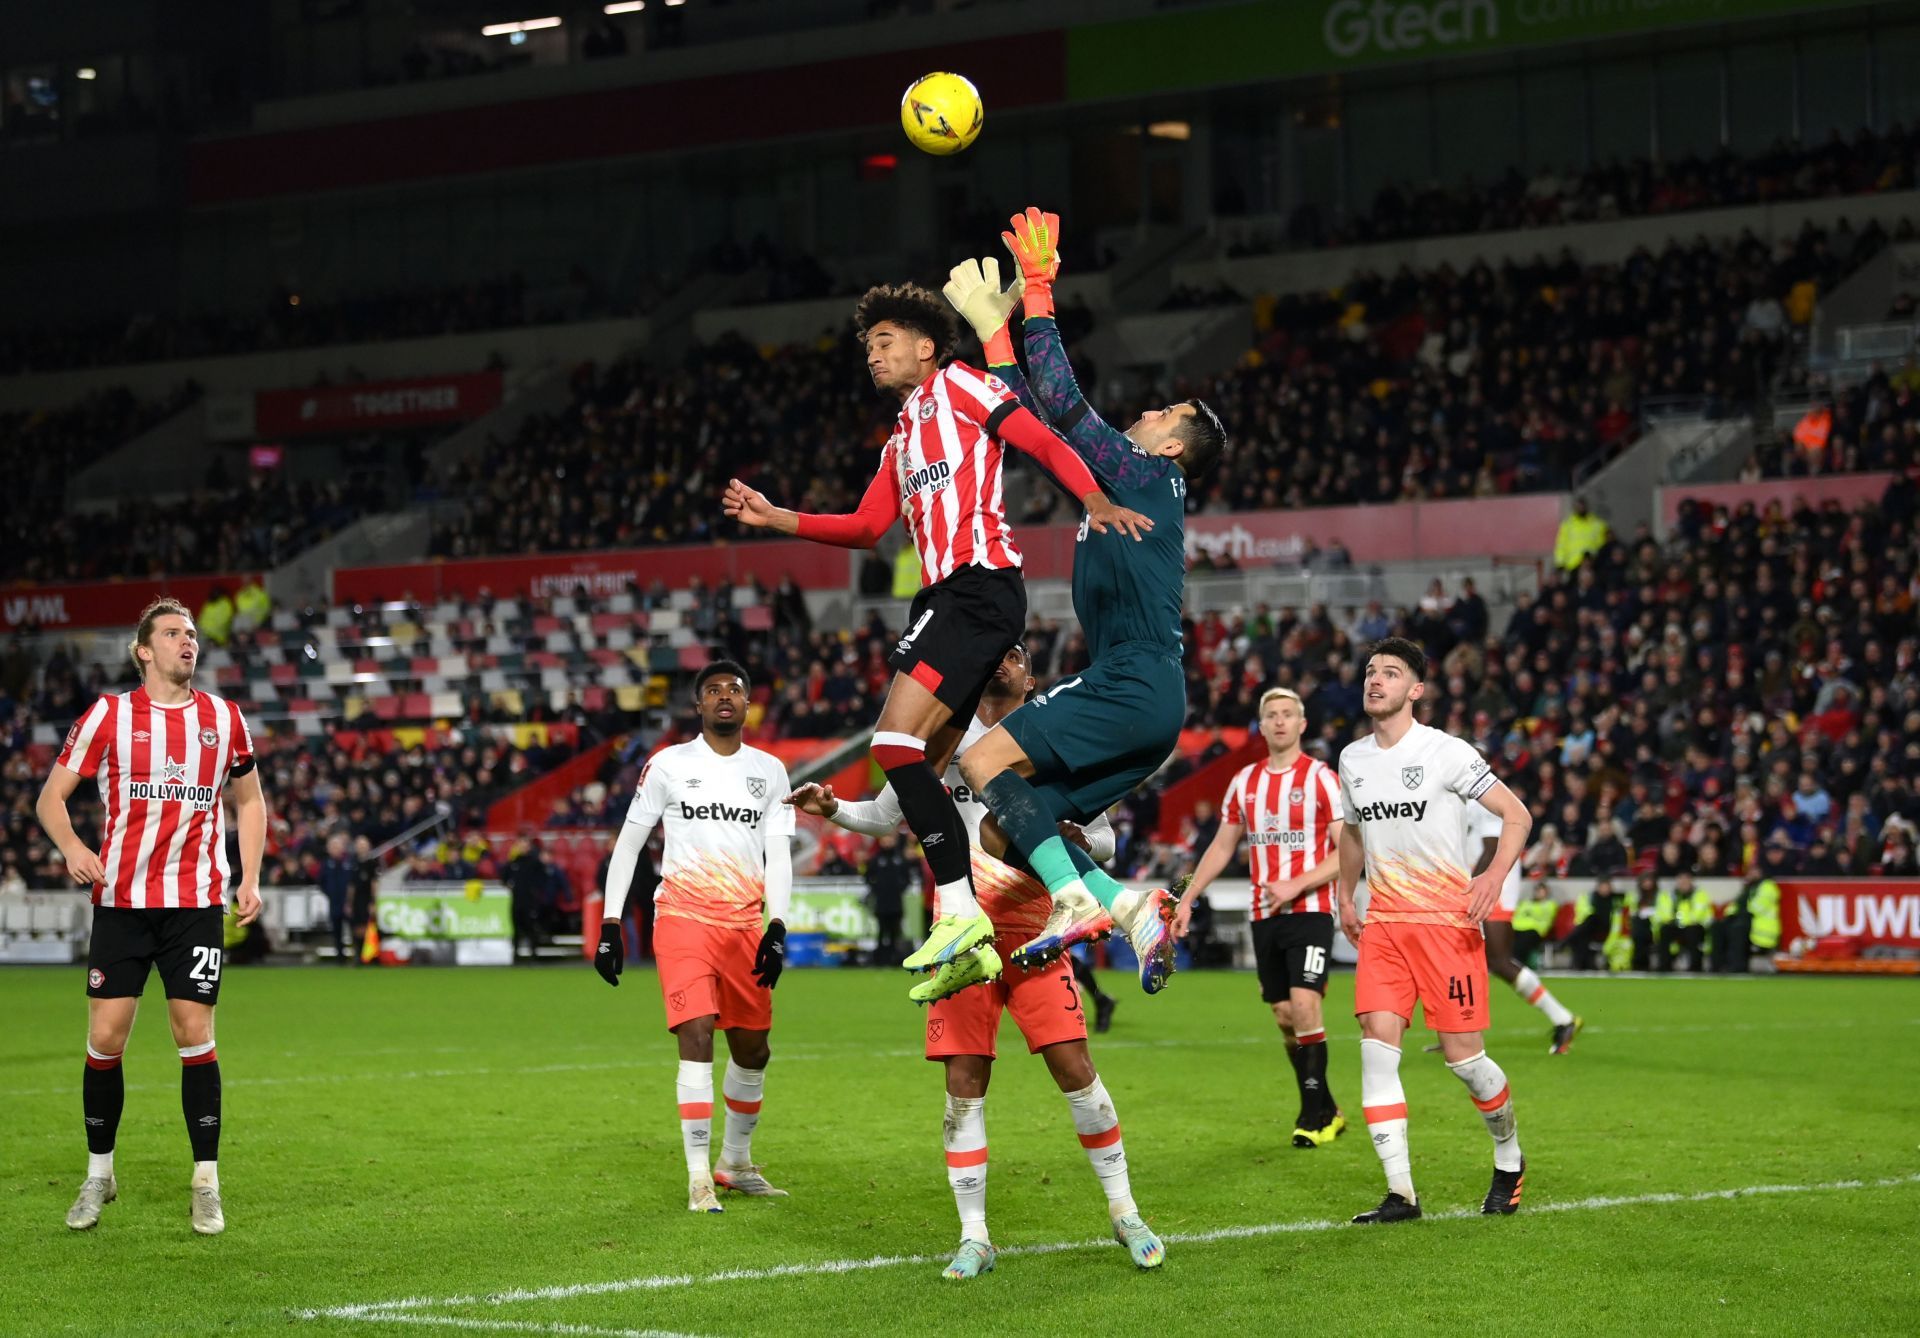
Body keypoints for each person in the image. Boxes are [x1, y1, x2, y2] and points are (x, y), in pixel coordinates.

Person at [722, 281, 1148, 992]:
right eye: (866, 346)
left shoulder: (964, 386)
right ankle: (993, 930)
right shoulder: (903, 433)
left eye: (884, 342)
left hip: (976, 585)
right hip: (950, 596)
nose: (872, 355)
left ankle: (958, 910)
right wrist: (778, 519)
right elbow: (865, 527)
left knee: (893, 745)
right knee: (930, 764)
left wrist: (1095, 497)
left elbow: (1039, 439)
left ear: (926, 347)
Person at [787, 644, 1163, 1277]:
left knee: (1076, 1069)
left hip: (1035, 926)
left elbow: (1103, 836)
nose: (1002, 661)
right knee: (963, 1083)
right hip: (961, 930)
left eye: (1015, 654)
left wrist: (1076, 837)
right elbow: (887, 814)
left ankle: (1124, 1211)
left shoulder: (1053, 735)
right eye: (996, 651)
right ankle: (975, 1235)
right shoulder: (946, 734)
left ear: (1032, 676)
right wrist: (833, 811)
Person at [942, 210, 1229, 997]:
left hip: (1132, 681)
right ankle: (1123, 905)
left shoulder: (1147, 474)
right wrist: (996, 336)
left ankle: (1076, 901)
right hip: (1147, 704)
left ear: (1171, 446)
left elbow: (1063, 402)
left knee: (979, 756)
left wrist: (1038, 290)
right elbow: (1030, 423)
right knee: (1004, 821)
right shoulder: (1118, 481)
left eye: (1164, 414)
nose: (1148, 411)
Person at [35, 598, 267, 1236]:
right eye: (172, 634)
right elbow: (51, 798)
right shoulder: (109, 716)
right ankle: (99, 1173)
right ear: (144, 650)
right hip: (123, 906)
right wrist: (75, 848)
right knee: (106, 1039)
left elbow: (249, 800)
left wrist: (249, 875)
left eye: (191, 634)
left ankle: (206, 1182)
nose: (187, 642)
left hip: (194, 904)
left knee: (194, 1034)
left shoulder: (224, 718)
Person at [1334, 637, 1533, 1224]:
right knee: (1375, 1052)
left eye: (1390, 674)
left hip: (1447, 927)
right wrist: (1345, 895)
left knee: (1464, 1060)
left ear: (1415, 690)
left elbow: (1516, 814)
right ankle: (1402, 1195)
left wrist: (1494, 876)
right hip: (1385, 927)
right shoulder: (1352, 759)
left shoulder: (1446, 752)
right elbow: (1351, 832)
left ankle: (1509, 1158)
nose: (1376, 681)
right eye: (1371, 672)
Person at [592, 660, 797, 1213]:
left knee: (754, 1049)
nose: (725, 697)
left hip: (744, 924)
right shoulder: (668, 765)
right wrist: (611, 924)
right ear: (698, 705)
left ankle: (735, 1163)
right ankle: (697, 1178)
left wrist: (777, 926)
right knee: (698, 1034)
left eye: (735, 689)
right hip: (682, 918)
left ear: (748, 704)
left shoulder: (771, 772)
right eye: (713, 690)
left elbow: (777, 856)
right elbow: (629, 844)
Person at [1172, 687, 1348, 1148]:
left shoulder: (1322, 779)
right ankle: (1327, 1105)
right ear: (1262, 725)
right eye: (1272, 715)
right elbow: (1223, 845)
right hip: (1264, 913)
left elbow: (1350, 851)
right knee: (1285, 1014)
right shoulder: (1244, 782)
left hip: (1311, 910)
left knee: (1306, 1003)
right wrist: (1189, 896)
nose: (1280, 721)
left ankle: (1313, 1117)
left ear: (1302, 724)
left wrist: (1297, 883)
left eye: (1288, 714)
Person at [1463, 801, 1582, 1054]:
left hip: (1494, 886)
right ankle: (1460, 1030)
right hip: (1486, 885)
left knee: (1499, 960)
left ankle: (1563, 1018)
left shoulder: (1483, 795)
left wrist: (1469, 890)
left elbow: (1492, 848)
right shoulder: (1462, 791)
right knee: (1469, 959)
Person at [863, 832, 914, 965]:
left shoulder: (900, 859)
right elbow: (867, 877)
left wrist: (899, 889)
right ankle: (880, 960)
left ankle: (894, 959)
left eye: (890, 839)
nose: (887, 842)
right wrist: (877, 889)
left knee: (894, 932)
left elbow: (908, 878)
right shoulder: (876, 859)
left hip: (896, 903)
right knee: (881, 932)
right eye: (885, 839)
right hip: (881, 903)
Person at [1714, 872, 1780, 972]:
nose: (1750, 874)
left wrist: (1738, 914)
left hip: (1761, 930)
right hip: (1748, 922)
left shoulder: (1768, 887)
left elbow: (1757, 908)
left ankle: (1738, 966)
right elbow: (1734, 906)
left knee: (1738, 928)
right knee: (1718, 926)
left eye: (1754, 871)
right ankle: (1718, 965)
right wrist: (1730, 916)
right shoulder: (1748, 889)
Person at [317, 832, 356, 964]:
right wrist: (330, 894)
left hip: (349, 902)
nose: (334, 849)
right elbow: (321, 882)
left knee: (353, 929)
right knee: (336, 931)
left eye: (337, 846)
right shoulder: (326, 864)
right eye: (332, 846)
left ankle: (357, 955)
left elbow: (354, 881)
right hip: (334, 902)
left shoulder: (350, 862)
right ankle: (340, 957)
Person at [1566, 877, 1619, 971]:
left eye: (1606, 887)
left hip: (1608, 928)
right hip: (1591, 928)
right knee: (1583, 934)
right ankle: (1582, 965)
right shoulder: (1592, 899)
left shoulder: (1616, 900)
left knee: (1590, 920)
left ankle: (1567, 943)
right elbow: (1582, 914)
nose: (1604, 890)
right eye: (1602, 887)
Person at [1507, 883, 1561, 967]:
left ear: (1546, 892)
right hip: (1516, 928)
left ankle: (1517, 963)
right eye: (1537, 890)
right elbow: (1516, 914)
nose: (1538, 893)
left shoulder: (1549, 904)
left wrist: (1530, 913)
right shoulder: (1525, 903)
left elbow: (1544, 917)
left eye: (1541, 891)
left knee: (1522, 942)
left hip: (1535, 929)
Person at [1554, 496, 1609, 571]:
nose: (1580, 508)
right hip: (1573, 565)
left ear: (1587, 507)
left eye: (1582, 506)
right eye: (1578, 507)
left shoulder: (1598, 524)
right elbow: (1562, 545)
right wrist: (1560, 563)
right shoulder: (1568, 525)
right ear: (1574, 508)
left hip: (1593, 565)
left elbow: (1603, 545)